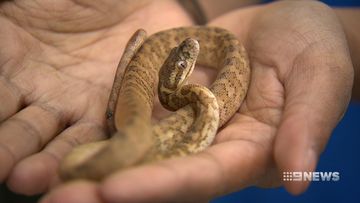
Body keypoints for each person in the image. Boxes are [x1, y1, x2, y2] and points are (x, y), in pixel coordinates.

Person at [0, 0, 358, 202]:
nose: (191, 52)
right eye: (184, 59)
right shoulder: (179, 90)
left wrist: (342, 36)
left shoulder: (205, 69)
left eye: (185, 58)